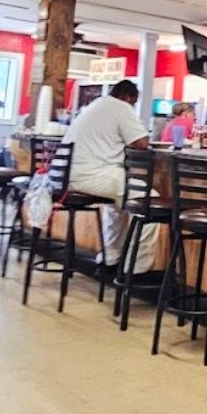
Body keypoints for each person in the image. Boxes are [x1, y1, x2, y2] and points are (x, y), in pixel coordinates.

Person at [62, 79, 157, 274]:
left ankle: (109, 258)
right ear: (128, 97)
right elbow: (142, 143)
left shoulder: (94, 105)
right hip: (94, 174)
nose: (132, 107)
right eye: (133, 103)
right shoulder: (121, 107)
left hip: (71, 175)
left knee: (117, 204)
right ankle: (135, 268)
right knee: (150, 202)